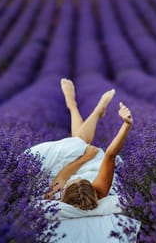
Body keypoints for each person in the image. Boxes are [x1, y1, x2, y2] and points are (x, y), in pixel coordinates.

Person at [30, 78, 133, 210]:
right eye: (81, 179)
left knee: (78, 142)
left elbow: (63, 176)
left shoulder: (52, 196)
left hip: (81, 160)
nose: (77, 176)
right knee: (78, 143)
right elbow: (110, 155)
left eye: (74, 179)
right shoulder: (100, 190)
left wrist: (82, 158)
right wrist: (126, 124)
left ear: (64, 195)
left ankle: (77, 106)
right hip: (96, 163)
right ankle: (89, 108)